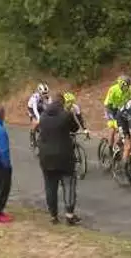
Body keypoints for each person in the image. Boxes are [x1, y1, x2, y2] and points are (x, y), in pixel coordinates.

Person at [38, 92, 81, 225]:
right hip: (64, 156)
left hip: (46, 157)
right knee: (69, 184)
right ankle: (69, 214)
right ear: (62, 103)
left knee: (50, 187)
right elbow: (75, 127)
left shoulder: (43, 116)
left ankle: (53, 216)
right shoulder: (66, 114)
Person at [102, 75, 131, 153]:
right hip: (110, 109)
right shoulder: (113, 89)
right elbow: (108, 105)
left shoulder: (130, 90)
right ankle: (110, 148)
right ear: (121, 85)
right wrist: (112, 118)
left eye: (129, 86)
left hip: (120, 109)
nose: (128, 88)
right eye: (126, 86)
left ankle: (119, 142)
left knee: (123, 127)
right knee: (113, 127)